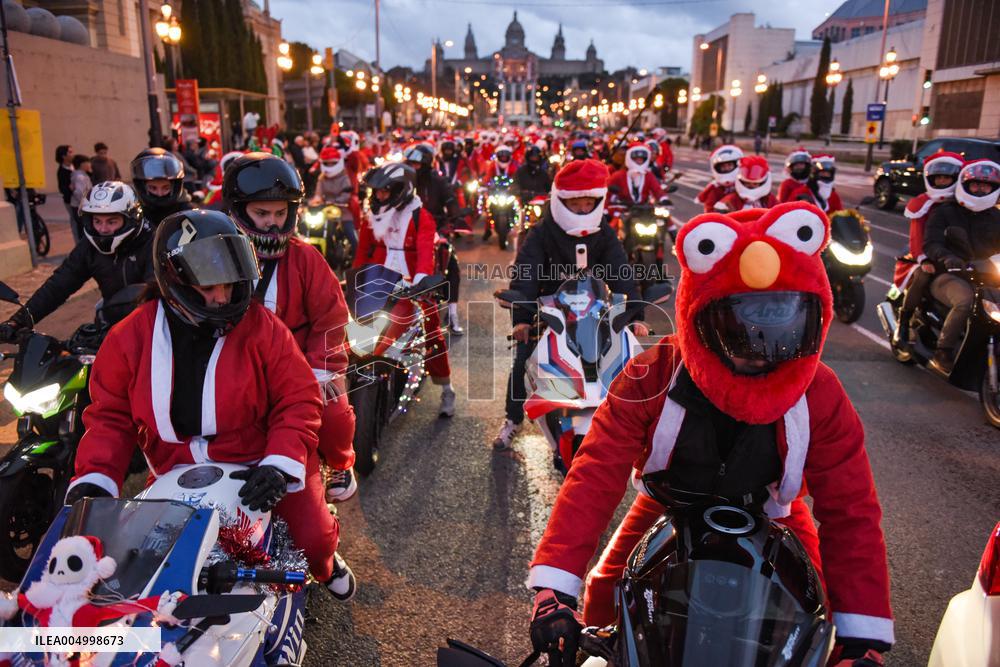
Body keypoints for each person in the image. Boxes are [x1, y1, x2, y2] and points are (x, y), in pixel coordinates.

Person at [527, 201, 894, 667]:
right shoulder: (650, 375)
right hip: (668, 503)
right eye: (739, 326)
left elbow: (851, 511)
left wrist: (862, 642)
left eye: (780, 325)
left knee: (815, 620)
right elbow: (594, 473)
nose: (760, 350)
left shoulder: (821, 394)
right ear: (699, 318)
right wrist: (554, 591)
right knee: (605, 592)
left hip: (775, 512)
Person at [63, 209, 356, 600]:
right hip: (176, 466)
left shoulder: (264, 328)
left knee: (313, 538)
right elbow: (110, 418)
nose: (223, 297)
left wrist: (279, 463)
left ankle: (328, 562)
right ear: (175, 279)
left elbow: (298, 398)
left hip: (261, 460)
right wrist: (96, 478)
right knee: (137, 567)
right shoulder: (129, 336)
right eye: (209, 287)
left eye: (230, 285)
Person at [222, 152, 359, 502]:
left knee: (334, 410)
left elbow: (331, 318)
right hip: (234, 368)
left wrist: (321, 370)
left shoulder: (307, 259)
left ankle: (341, 462)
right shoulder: (217, 258)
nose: (272, 223)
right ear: (238, 211)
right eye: (262, 213)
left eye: (281, 213)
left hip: (303, 368)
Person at [494, 159, 648, 453]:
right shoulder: (541, 233)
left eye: (588, 203)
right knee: (522, 360)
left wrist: (635, 315)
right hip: (549, 313)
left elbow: (622, 272)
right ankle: (512, 420)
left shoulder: (604, 233)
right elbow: (526, 274)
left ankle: (629, 424)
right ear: (561, 201)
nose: (581, 209)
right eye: (575, 203)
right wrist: (523, 319)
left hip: (595, 313)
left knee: (625, 364)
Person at [353, 162, 457, 417]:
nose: (379, 196)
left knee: (431, 330)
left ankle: (446, 388)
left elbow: (425, 252)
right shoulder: (372, 215)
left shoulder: (421, 216)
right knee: (352, 329)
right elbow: (362, 251)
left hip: (412, 283)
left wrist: (421, 282)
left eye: (385, 191)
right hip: (377, 280)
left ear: (401, 189)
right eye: (377, 192)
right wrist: (355, 278)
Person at [0, 181, 153, 338]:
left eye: (112, 221)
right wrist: (18, 322)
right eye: (97, 221)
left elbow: (157, 290)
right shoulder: (89, 247)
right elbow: (59, 285)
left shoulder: (151, 243)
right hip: (111, 329)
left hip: (153, 329)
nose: (103, 228)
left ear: (131, 219)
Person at [922, 159, 1000, 374]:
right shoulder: (946, 212)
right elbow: (931, 243)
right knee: (966, 302)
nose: (980, 189)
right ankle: (943, 350)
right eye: (975, 184)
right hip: (951, 275)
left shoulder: (996, 216)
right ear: (965, 185)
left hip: (989, 277)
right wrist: (947, 257)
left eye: (986, 186)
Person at [892, 152, 964, 351]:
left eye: (947, 178)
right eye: (938, 177)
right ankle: (903, 322)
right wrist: (923, 259)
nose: (942, 181)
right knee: (922, 277)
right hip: (924, 255)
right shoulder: (922, 204)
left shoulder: (964, 203)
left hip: (955, 257)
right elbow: (916, 237)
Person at [404, 143, 465, 334]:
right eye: (410, 163)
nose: (413, 167)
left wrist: (455, 215)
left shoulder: (438, 181)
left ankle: (452, 314)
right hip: (406, 231)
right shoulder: (403, 181)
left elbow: (450, 199)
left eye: (417, 163)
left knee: (452, 265)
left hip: (436, 229)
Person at [312, 146, 360, 255]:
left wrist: (338, 200)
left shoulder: (344, 177)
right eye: (326, 163)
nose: (329, 166)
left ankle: (356, 263)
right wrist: (316, 200)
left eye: (332, 163)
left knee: (352, 238)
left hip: (342, 210)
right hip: (325, 212)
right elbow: (318, 194)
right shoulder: (321, 178)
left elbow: (346, 193)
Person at [130, 147, 192, 227]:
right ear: (142, 187)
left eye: (166, 188)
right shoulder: (135, 214)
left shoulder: (187, 211)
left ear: (175, 187)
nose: (160, 194)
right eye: (153, 188)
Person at [715, 155, 779, 212]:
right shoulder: (729, 201)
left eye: (755, 184)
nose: (751, 185)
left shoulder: (770, 199)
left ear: (762, 183)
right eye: (747, 183)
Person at [695, 144, 742, 213]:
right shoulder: (715, 188)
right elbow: (709, 208)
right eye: (723, 166)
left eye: (729, 165)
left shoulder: (743, 183)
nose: (726, 168)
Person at [68, 155, 93, 242]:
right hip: (81, 207)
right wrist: (86, 203)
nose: (90, 164)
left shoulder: (79, 174)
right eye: (87, 162)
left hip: (78, 206)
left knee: (82, 230)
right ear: (82, 164)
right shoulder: (80, 177)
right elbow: (79, 192)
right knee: (84, 230)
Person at [55, 145, 75, 230]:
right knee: (75, 220)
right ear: (64, 156)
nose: (72, 154)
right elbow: (62, 188)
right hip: (71, 200)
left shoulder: (76, 166)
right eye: (70, 152)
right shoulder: (62, 171)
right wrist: (70, 189)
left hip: (83, 198)